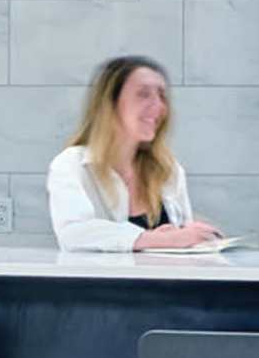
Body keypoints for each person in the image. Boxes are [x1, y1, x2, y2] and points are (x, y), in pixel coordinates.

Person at [47, 56, 224, 252]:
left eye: (162, 95)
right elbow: (74, 234)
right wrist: (159, 239)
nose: (159, 106)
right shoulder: (72, 164)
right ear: (110, 104)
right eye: (143, 94)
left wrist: (195, 236)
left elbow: (180, 242)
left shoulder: (168, 169)